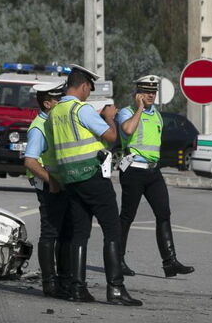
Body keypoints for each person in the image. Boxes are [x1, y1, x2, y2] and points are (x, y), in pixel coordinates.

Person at [50, 65, 142, 306]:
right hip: (92, 176)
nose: (89, 94)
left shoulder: (56, 111)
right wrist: (109, 117)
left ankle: (77, 288)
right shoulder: (82, 110)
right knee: (112, 229)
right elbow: (112, 137)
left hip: (70, 179)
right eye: (89, 89)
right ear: (82, 86)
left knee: (80, 233)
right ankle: (116, 289)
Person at [116, 75, 195, 278]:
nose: (150, 95)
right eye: (146, 92)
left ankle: (170, 262)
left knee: (164, 213)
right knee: (127, 217)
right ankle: (117, 259)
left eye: (153, 92)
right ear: (137, 94)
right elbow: (126, 130)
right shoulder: (127, 112)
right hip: (133, 170)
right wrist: (139, 108)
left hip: (153, 171)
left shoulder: (157, 115)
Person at [23, 81, 73, 299]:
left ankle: (64, 279)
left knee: (64, 232)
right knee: (50, 233)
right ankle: (49, 283)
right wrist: (51, 181)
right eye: (57, 99)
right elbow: (30, 162)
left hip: (62, 184)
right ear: (46, 103)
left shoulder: (54, 122)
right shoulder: (38, 127)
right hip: (48, 187)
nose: (61, 102)